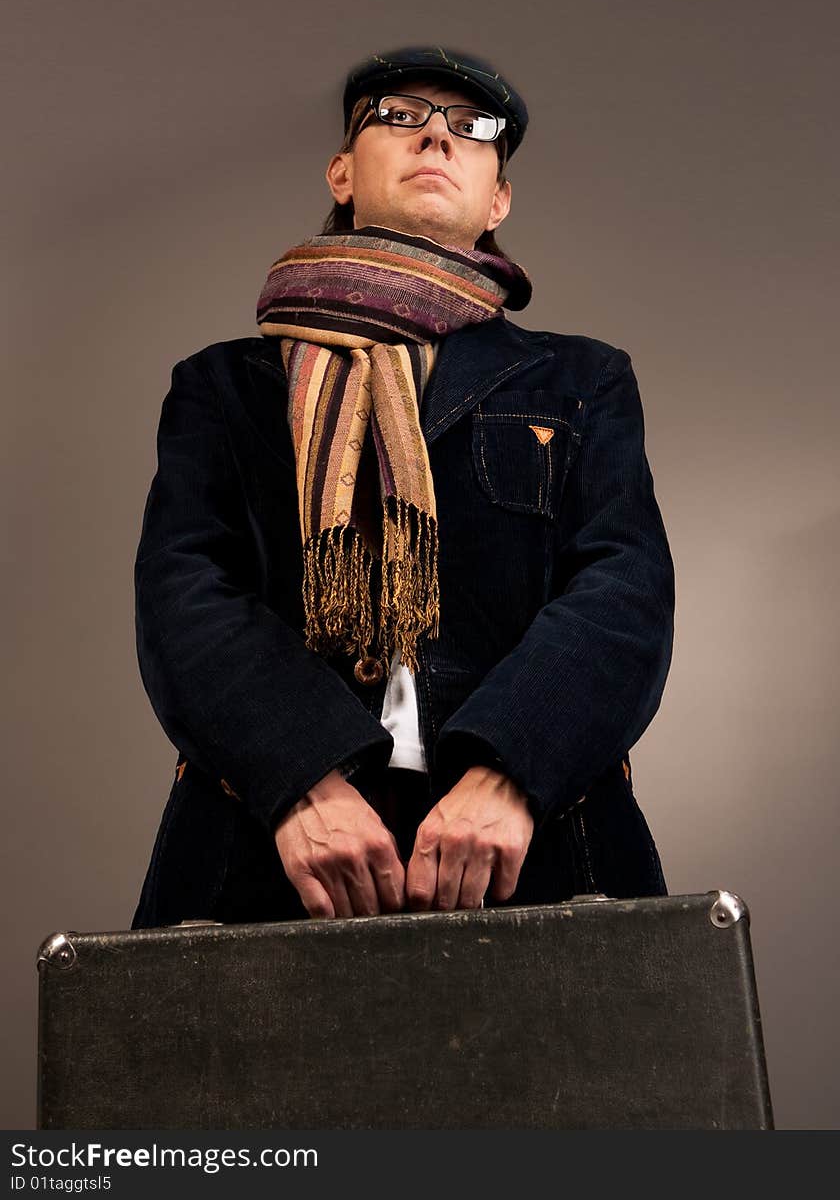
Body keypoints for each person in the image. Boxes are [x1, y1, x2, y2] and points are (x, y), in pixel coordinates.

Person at [131, 45, 675, 930]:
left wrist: (511, 771)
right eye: (401, 115)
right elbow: (185, 594)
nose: (437, 137)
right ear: (343, 173)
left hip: (532, 842)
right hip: (276, 845)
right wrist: (301, 780)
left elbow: (626, 587)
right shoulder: (225, 385)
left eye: (471, 128)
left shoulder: (581, 380)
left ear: (497, 198)